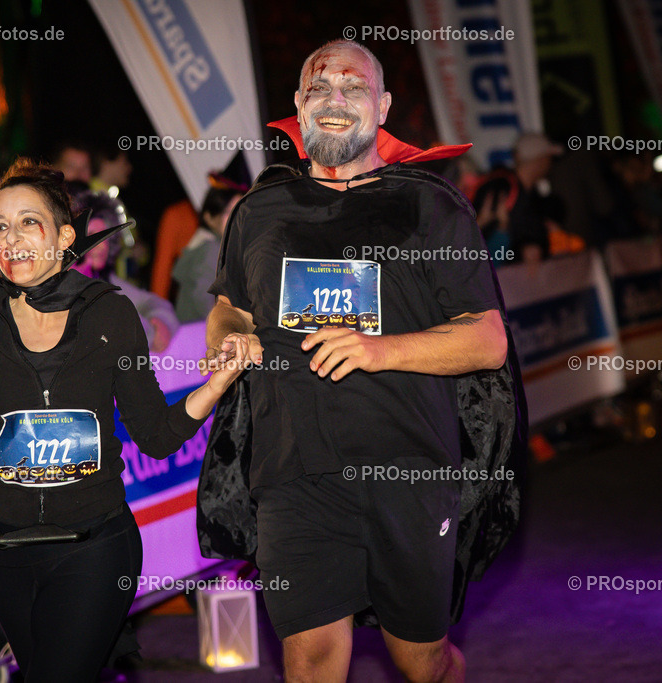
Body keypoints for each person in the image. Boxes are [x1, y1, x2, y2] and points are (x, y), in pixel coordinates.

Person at [203, 41, 509, 682]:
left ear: (383, 105)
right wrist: (228, 338)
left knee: (421, 659)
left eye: (354, 88)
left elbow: (486, 340)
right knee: (310, 659)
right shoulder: (259, 210)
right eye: (320, 89)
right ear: (298, 105)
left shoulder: (430, 205)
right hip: (292, 473)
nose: (335, 101)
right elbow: (228, 306)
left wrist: (379, 350)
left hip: (407, 471)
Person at [0, 158, 249, 681]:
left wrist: (216, 386)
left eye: (28, 221)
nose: (12, 237)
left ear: (65, 234)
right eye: (1, 226)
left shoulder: (110, 314)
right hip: (3, 557)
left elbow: (155, 436)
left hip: (97, 550)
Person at [70, 189, 179, 352]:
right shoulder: (67, 285)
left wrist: (160, 320)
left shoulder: (104, 279)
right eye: (92, 235)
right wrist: (149, 332)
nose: (102, 245)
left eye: (105, 237)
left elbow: (151, 302)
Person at [173, 182, 243, 322]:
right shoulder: (212, 250)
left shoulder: (203, 244)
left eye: (242, 211)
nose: (238, 219)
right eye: (230, 212)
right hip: (201, 337)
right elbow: (206, 302)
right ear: (210, 218)